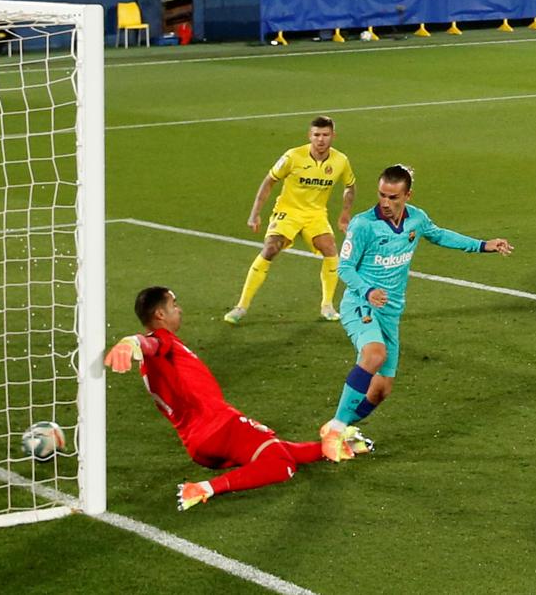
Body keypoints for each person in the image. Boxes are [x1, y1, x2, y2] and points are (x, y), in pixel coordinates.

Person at [105, 287, 370, 510]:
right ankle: (203, 489)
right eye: (174, 304)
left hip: (200, 443)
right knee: (281, 464)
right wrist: (130, 342)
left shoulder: (160, 353)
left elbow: (149, 348)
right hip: (219, 427)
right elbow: (147, 343)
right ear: (160, 313)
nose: (180, 309)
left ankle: (331, 446)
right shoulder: (161, 341)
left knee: (274, 447)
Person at [319, 164, 513, 446]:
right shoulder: (363, 225)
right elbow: (345, 268)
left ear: (407, 195)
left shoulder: (416, 220)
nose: (385, 203)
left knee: (381, 390)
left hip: (391, 311)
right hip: (361, 303)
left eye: (393, 197)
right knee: (374, 355)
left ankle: (342, 426)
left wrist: (484, 245)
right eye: (382, 195)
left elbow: (441, 235)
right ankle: (335, 431)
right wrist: (368, 289)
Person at [224, 115, 357, 325]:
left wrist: (344, 214)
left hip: (315, 214)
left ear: (333, 136)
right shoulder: (292, 156)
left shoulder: (341, 160)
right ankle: (241, 306)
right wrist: (255, 213)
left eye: (325, 135)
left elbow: (350, 186)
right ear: (309, 135)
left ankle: (327, 305)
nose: (321, 140)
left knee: (330, 248)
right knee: (270, 248)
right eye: (316, 135)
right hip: (288, 211)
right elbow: (269, 182)